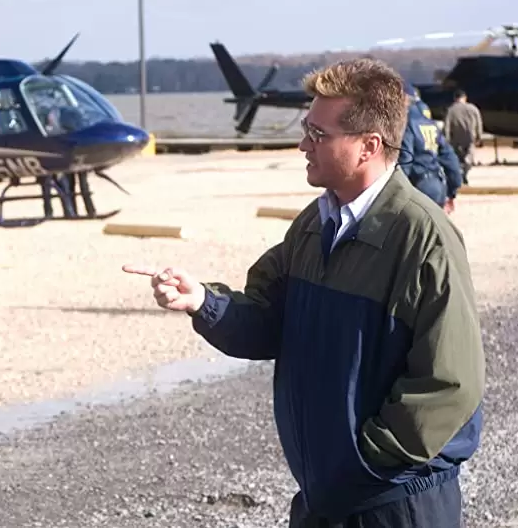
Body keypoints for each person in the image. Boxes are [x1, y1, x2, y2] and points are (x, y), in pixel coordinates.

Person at [123, 58, 484, 527]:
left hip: (394, 505)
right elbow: (266, 320)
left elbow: (449, 384)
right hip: (326, 499)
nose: (302, 145)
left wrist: (362, 462)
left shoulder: (424, 238)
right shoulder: (314, 227)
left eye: (319, 135)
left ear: (368, 146)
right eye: (305, 130)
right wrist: (203, 302)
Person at [398, 84, 463, 214]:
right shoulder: (430, 123)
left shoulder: (407, 123)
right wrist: (452, 190)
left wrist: (397, 191)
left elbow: (406, 159)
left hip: (419, 187)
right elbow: (449, 158)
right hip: (438, 185)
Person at [443, 90, 483, 184]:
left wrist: (446, 139)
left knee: (458, 158)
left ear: (455, 98)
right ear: (465, 98)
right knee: (469, 157)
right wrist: (479, 136)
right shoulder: (473, 108)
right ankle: (465, 173)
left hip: (456, 139)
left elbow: (447, 126)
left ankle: (460, 174)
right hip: (470, 138)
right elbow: (479, 123)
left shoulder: (451, 110)